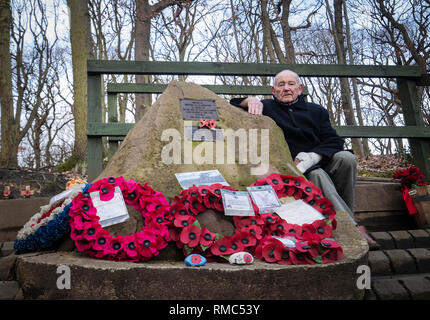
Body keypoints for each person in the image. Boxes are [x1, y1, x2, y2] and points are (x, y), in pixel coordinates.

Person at [229, 69, 378, 247]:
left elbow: (334, 140)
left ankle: (346, 216)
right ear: (273, 90)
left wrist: (312, 157)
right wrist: (250, 100)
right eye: (281, 85)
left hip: (318, 159)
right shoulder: (267, 107)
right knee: (317, 175)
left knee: (347, 158)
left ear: (300, 89)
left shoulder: (317, 111)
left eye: (291, 84)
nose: (286, 88)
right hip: (293, 168)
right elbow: (233, 104)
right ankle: (353, 227)